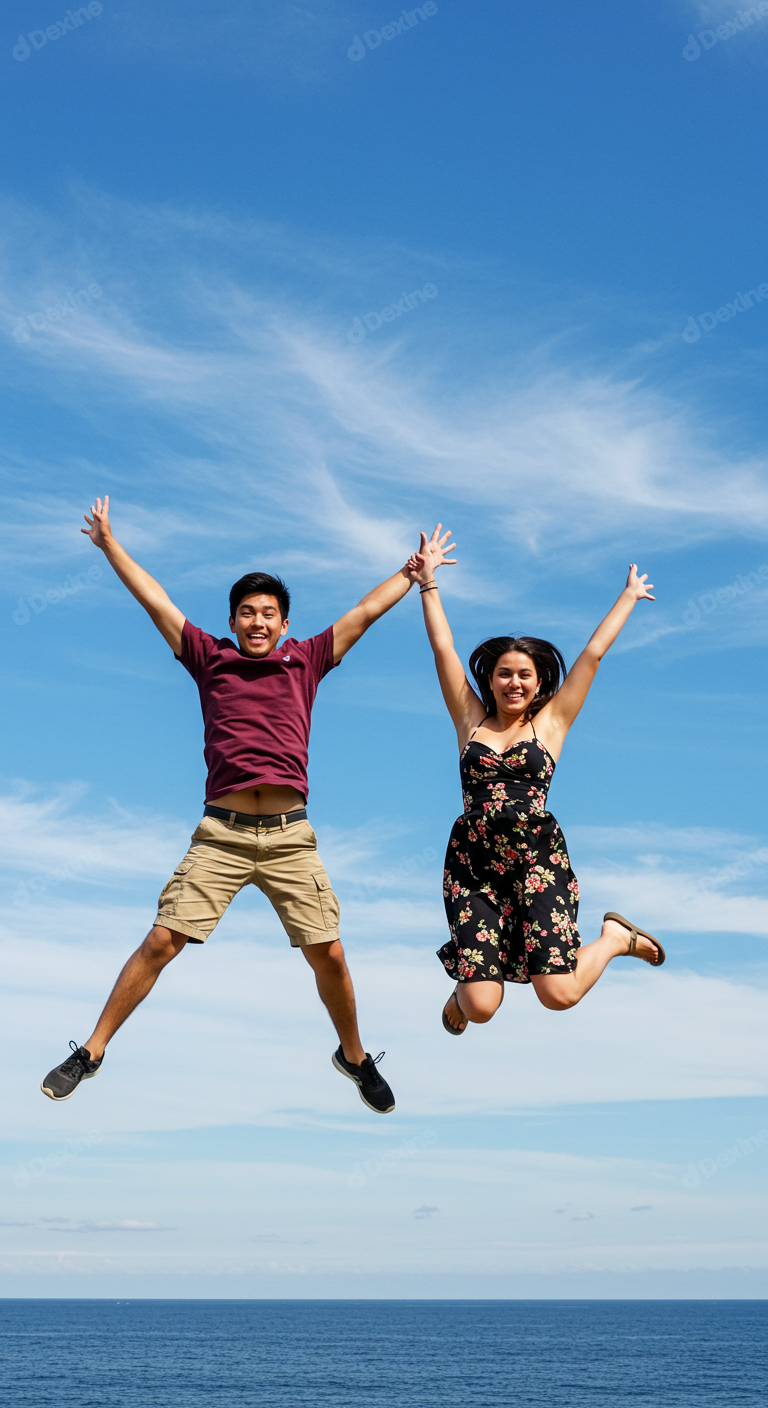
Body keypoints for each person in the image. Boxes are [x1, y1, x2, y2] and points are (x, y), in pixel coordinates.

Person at [41, 497, 431, 1112]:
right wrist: (110, 546)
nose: (256, 621)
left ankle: (354, 1058)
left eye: (268, 614)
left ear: (282, 624)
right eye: (246, 612)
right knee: (161, 941)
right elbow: (156, 600)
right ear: (232, 620)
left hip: (289, 835)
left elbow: (364, 612)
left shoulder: (306, 660)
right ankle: (91, 1051)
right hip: (220, 834)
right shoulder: (208, 657)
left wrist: (410, 576)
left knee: (327, 950)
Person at [407, 526, 665, 1036]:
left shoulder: (550, 725)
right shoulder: (471, 722)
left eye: (524, 674)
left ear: (540, 681)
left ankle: (614, 938)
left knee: (559, 995)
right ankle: (468, 981)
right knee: (481, 1007)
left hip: (537, 862)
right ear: (491, 680)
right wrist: (428, 584)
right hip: (475, 865)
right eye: (504, 673)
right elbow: (444, 651)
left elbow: (590, 655)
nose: (514, 682)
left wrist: (629, 597)